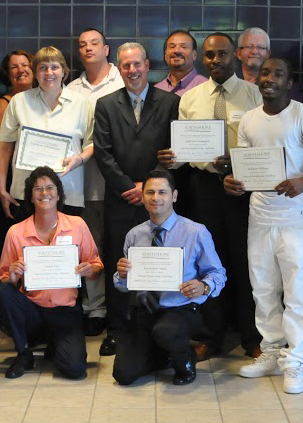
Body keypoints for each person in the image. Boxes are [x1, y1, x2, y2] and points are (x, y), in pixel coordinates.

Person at [227, 58, 303, 394]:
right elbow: (245, 168)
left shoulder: (302, 115)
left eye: (278, 74)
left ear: (290, 82)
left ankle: (295, 360)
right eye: (264, 73)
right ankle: (271, 353)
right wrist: (233, 182)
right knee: (262, 288)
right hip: (259, 214)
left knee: (297, 291)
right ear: (257, 79)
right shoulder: (249, 119)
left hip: (294, 216)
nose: (270, 79)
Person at [158, 32, 262, 360]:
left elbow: (264, 145)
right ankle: (212, 336)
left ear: (236, 56)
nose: (216, 61)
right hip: (203, 189)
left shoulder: (254, 95)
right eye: (210, 55)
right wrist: (174, 159)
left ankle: (252, 336)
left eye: (222, 54)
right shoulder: (191, 98)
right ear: (203, 59)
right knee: (205, 262)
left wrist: (239, 165)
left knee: (246, 264)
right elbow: (186, 149)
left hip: (242, 188)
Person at [92, 42, 180, 360]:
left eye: (137, 64)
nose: (132, 70)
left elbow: (173, 150)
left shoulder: (171, 102)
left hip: (158, 200)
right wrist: (129, 187)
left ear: (147, 65)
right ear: (119, 68)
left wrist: (148, 187)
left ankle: (157, 327)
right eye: (126, 65)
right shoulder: (105, 105)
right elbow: (103, 153)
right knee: (121, 262)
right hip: (121, 198)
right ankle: (116, 331)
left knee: (160, 262)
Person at [112, 169, 226, 386]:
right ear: (143, 197)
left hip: (181, 309)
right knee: (124, 374)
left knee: (165, 331)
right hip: (145, 310)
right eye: (150, 192)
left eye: (162, 192)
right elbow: (123, 286)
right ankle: (164, 354)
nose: (156, 198)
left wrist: (203, 286)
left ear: (174, 196)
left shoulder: (196, 232)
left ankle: (186, 362)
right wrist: (123, 274)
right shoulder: (135, 235)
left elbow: (218, 273)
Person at [0, 166, 103, 380]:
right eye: (38, 189)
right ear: (31, 196)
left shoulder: (77, 225)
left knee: (74, 370)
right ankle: (24, 353)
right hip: (32, 310)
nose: (45, 193)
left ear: (59, 193)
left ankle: (55, 344)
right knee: (4, 292)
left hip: (65, 311)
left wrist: (91, 269)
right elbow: (2, 278)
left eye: (50, 187)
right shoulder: (16, 232)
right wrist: (13, 276)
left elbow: (96, 265)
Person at [63, 28, 123, 347]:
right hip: (81, 185)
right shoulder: (71, 88)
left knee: (122, 248)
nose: (88, 48)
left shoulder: (123, 81)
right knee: (92, 247)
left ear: (107, 49)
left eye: (94, 43)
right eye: (82, 45)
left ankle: (122, 311)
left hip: (119, 183)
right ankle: (95, 309)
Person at [0, 46, 94, 221]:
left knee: (65, 246)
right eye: (42, 68)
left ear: (64, 71)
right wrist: (1, 189)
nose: (49, 72)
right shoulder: (19, 102)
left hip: (68, 192)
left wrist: (79, 159)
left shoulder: (81, 103)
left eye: (54, 67)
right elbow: (4, 148)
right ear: (35, 72)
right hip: (25, 193)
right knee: (26, 245)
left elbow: (92, 143)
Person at [0, 50, 35, 147]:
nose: (20, 70)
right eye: (14, 67)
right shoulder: (3, 105)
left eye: (24, 65)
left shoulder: (43, 99)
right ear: (7, 74)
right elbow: (1, 147)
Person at [154, 29, 207, 96]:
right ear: (165, 55)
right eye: (172, 47)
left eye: (183, 47)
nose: (176, 50)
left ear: (194, 55)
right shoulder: (156, 90)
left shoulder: (206, 88)